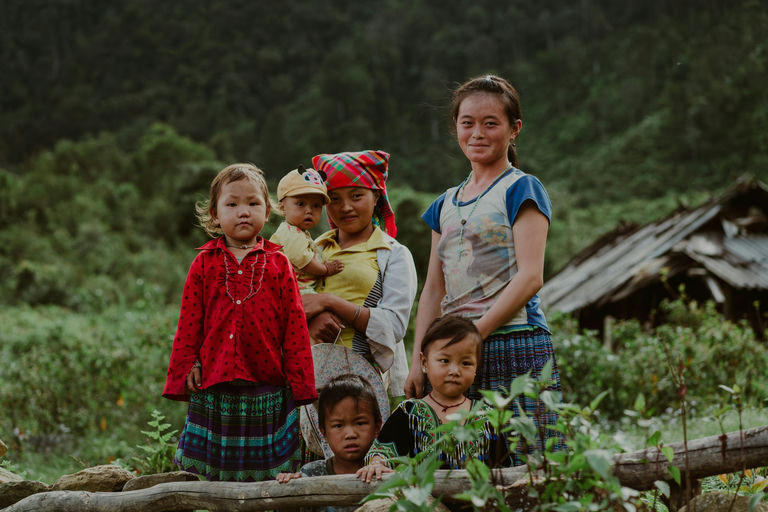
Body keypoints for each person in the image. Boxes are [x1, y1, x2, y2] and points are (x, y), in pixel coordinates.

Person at [403, 74, 564, 465]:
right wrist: (419, 356)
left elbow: (531, 276)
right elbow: (433, 289)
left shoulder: (521, 188)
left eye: (491, 123)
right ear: (455, 126)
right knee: (468, 466)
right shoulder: (444, 203)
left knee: (531, 464)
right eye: (467, 122)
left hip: (515, 341)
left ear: (514, 130)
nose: (478, 133)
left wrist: (474, 334)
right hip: (457, 353)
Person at [162, 163, 317, 481]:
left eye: (253, 203)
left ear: (268, 210)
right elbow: (190, 321)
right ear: (215, 215)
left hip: (268, 383)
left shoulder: (278, 263)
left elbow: (295, 328)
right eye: (232, 204)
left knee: (266, 478)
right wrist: (187, 364)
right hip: (215, 382)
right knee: (211, 479)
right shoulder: (203, 263)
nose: (243, 212)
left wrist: (301, 384)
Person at [302, 150, 416, 403]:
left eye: (356, 196)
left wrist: (330, 303)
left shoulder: (393, 254)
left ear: (376, 196)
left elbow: (394, 326)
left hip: (363, 380)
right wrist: (309, 323)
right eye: (333, 198)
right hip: (309, 379)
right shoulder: (310, 251)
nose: (345, 207)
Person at [357, 316, 509, 482]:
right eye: (444, 360)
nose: (454, 370)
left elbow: (505, 469)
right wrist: (377, 463)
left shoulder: (487, 416)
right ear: (424, 363)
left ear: (476, 367)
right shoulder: (410, 412)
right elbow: (383, 450)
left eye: (465, 363)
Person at [277, 374, 382, 512]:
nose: (350, 434)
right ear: (324, 432)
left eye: (360, 423)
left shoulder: (381, 472)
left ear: (377, 427)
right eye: (338, 425)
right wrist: (288, 489)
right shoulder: (311, 474)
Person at [270, 165, 344, 294]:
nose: (309, 210)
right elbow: (304, 261)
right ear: (282, 208)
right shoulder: (288, 233)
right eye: (300, 204)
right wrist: (326, 269)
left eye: (316, 205)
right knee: (325, 311)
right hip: (293, 288)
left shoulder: (299, 232)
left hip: (301, 286)